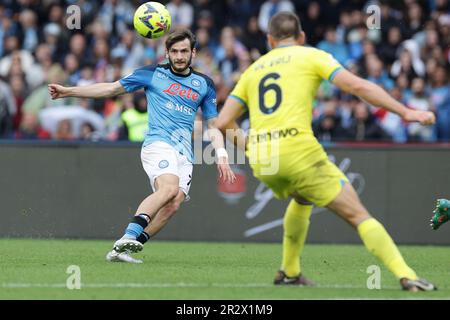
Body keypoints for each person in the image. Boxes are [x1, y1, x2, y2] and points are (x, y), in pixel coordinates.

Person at [216, 12, 437, 292]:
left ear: (270, 40)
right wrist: (406, 111)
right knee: (358, 214)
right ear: (302, 37)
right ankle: (406, 275)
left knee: (302, 198)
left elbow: (223, 122)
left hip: (264, 160)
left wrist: (249, 147)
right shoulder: (310, 55)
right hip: (298, 152)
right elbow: (356, 85)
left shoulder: (254, 69)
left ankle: (290, 272)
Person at [49, 29, 236, 264]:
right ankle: (128, 236)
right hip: (158, 143)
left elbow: (213, 124)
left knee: (173, 204)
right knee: (168, 189)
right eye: (174, 51)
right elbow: (111, 88)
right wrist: (69, 91)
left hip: (184, 153)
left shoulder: (204, 84)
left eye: (184, 51)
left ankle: (123, 249)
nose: (179, 56)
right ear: (167, 53)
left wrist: (221, 154)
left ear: (193, 53)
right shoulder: (152, 74)